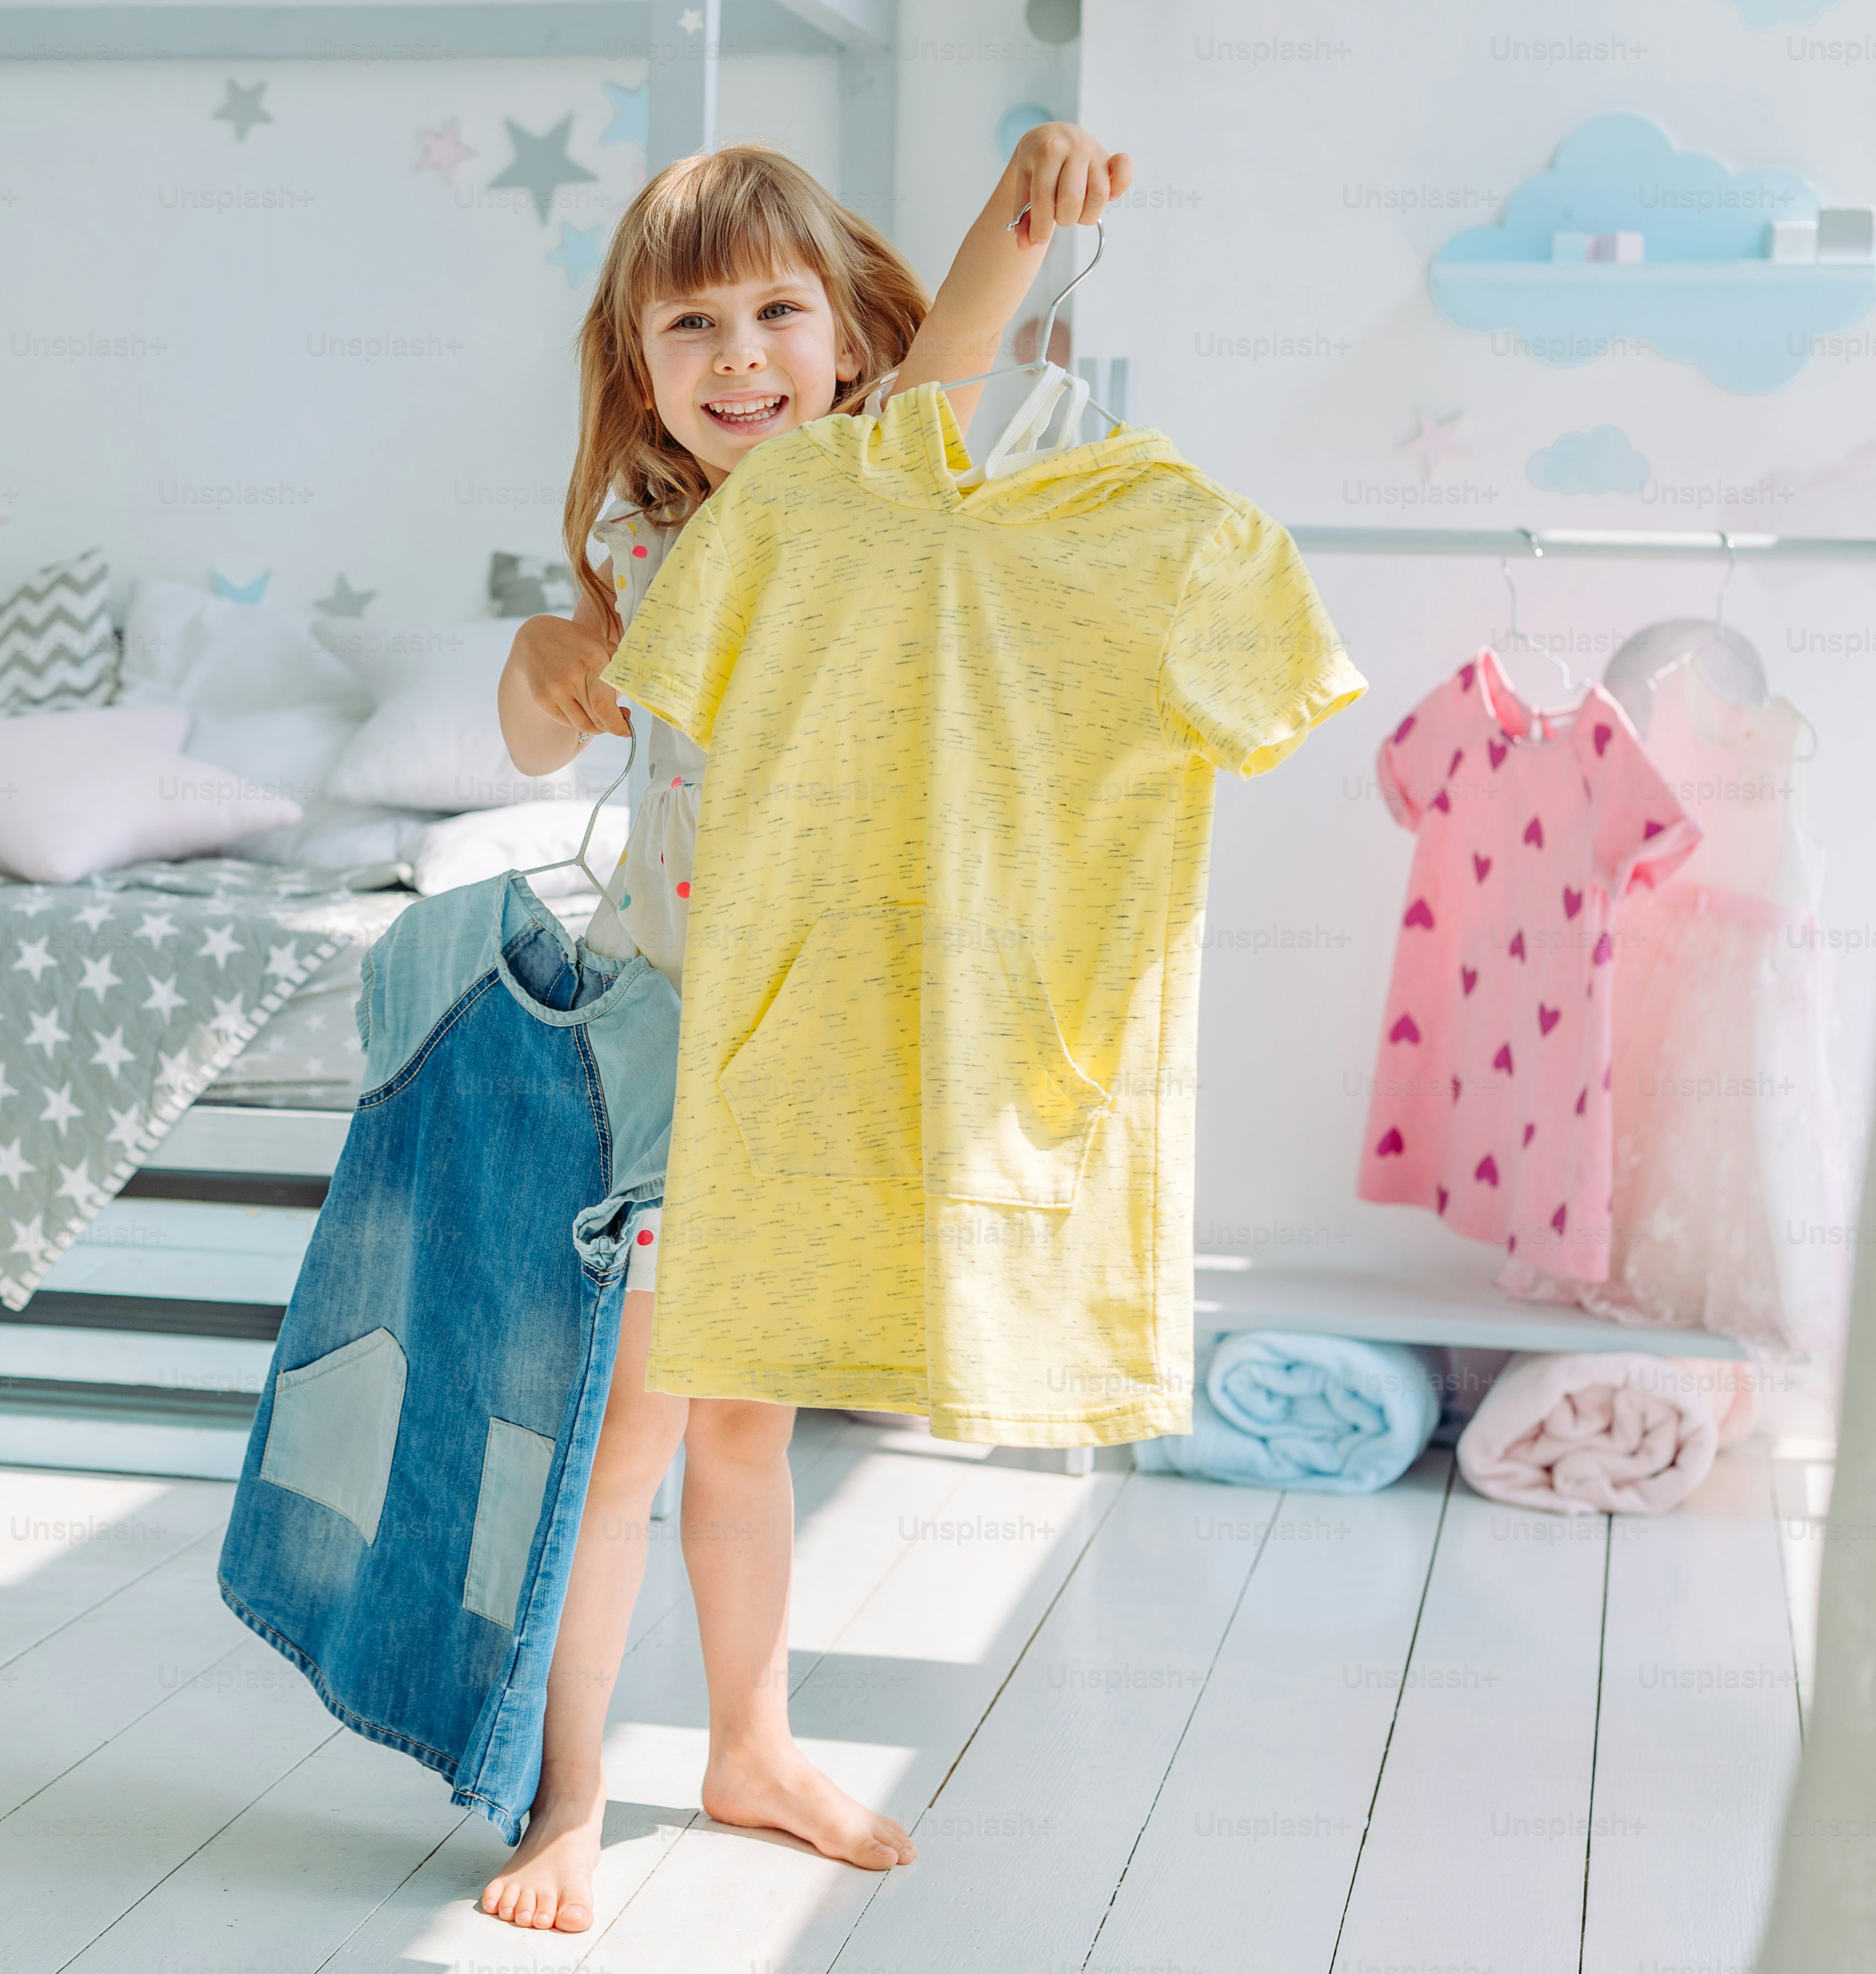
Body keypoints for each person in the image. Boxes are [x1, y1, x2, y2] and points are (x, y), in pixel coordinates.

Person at [482, 125, 1133, 1932]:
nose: (742, 356)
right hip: (676, 1047)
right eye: (691, 329)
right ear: (640, 372)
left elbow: (961, 360)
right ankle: (568, 1794)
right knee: (627, 1439)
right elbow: (552, 740)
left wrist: (1019, 206)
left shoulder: (870, 485)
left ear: (844, 345)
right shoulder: (636, 538)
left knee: (752, 1435)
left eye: (779, 313)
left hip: (813, 1052)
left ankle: (752, 1743)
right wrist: (540, 664)